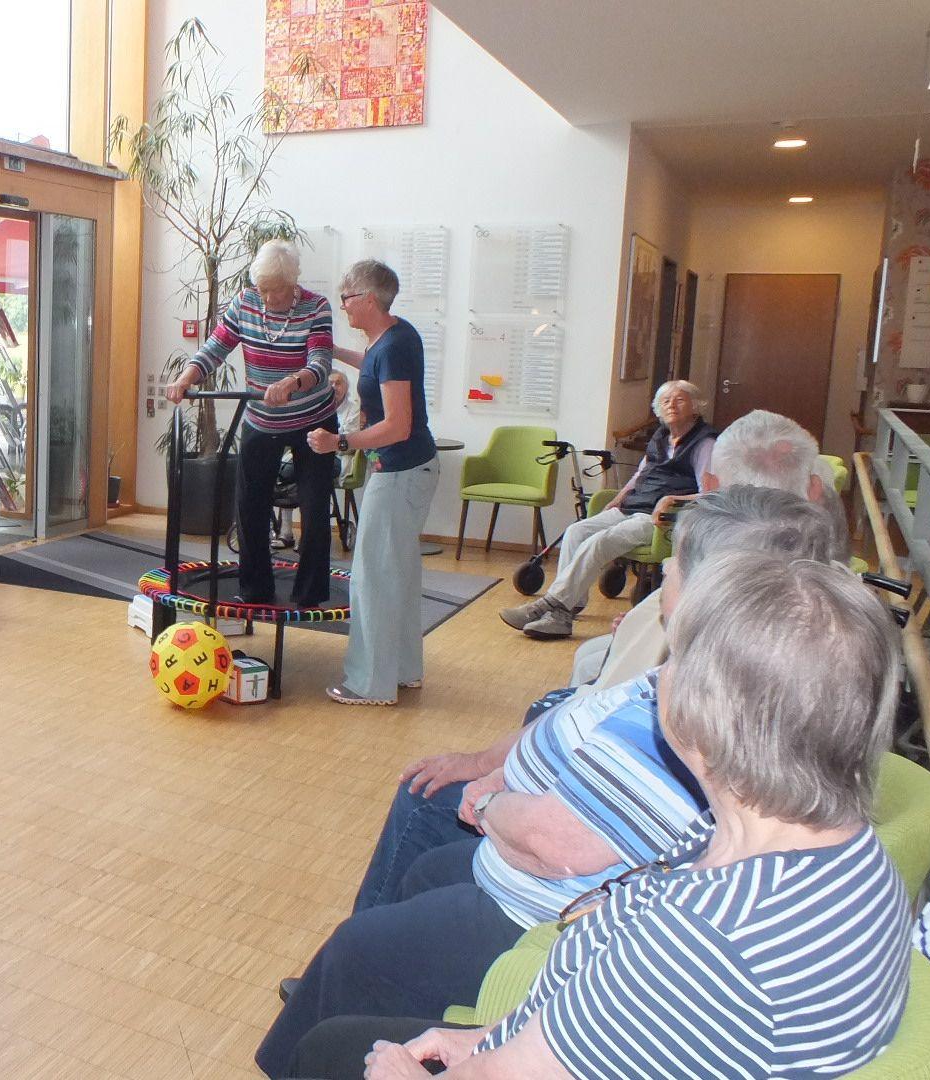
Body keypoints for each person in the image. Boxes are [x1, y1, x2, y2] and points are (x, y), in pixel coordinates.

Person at [257, 487, 842, 1077]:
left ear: (710, 593)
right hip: (545, 893)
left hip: (536, 909)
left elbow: (564, 855)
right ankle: (362, 999)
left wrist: (491, 799)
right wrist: (494, 768)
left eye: (674, 564)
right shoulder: (736, 708)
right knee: (421, 872)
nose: (663, 569)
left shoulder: (699, 726)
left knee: (351, 961)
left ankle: (333, 1014)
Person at [567, 409, 827, 691]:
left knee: (589, 665)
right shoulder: (825, 561)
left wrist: (636, 629)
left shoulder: (703, 549)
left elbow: (675, 635)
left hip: (693, 678)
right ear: (815, 490)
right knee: (590, 654)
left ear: (711, 486)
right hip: (765, 673)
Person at [164, 238, 339, 608]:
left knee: (313, 507)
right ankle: (255, 587)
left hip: (313, 419)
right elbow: (216, 347)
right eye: (263, 289)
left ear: (293, 282)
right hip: (261, 418)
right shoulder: (245, 303)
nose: (268, 298)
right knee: (250, 504)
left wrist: (292, 382)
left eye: (276, 290)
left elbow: (321, 364)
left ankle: (309, 594)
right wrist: (186, 377)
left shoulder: (316, 307)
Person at [304, 260, 438, 706]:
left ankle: (369, 684)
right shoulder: (395, 337)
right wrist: (333, 351)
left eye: (346, 297)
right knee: (397, 575)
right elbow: (374, 366)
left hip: (399, 474)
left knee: (372, 579)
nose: (342, 305)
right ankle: (402, 671)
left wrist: (339, 442)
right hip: (411, 470)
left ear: (367, 299)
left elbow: (398, 426)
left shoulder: (394, 346)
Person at [501, 380, 716, 641]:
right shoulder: (660, 437)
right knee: (577, 531)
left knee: (601, 541)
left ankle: (550, 608)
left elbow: (711, 494)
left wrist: (673, 499)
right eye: (666, 401)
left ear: (696, 406)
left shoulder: (704, 442)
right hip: (633, 506)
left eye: (680, 400)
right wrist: (619, 497)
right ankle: (567, 609)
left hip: (659, 519)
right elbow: (639, 475)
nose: (672, 405)